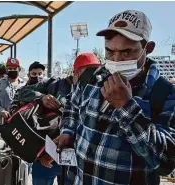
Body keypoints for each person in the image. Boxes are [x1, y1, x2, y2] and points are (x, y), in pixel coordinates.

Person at [57, 10, 175, 185]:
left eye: (127, 52)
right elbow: (72, 107)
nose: (117, 60)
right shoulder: (91, 77)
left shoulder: (164, 93)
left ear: (147, 49)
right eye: (110, 51)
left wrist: (127, 107)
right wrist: (67, 131)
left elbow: (166, 162)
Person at [15, 53, 101, 185]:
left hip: (75, 160)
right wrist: (41, 97)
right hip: (46, 151)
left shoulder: (101, 91)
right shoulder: (56, 84)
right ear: (76, 72)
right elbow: (22, 93)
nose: (92, 76)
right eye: (87, 71)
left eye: (95, 71)